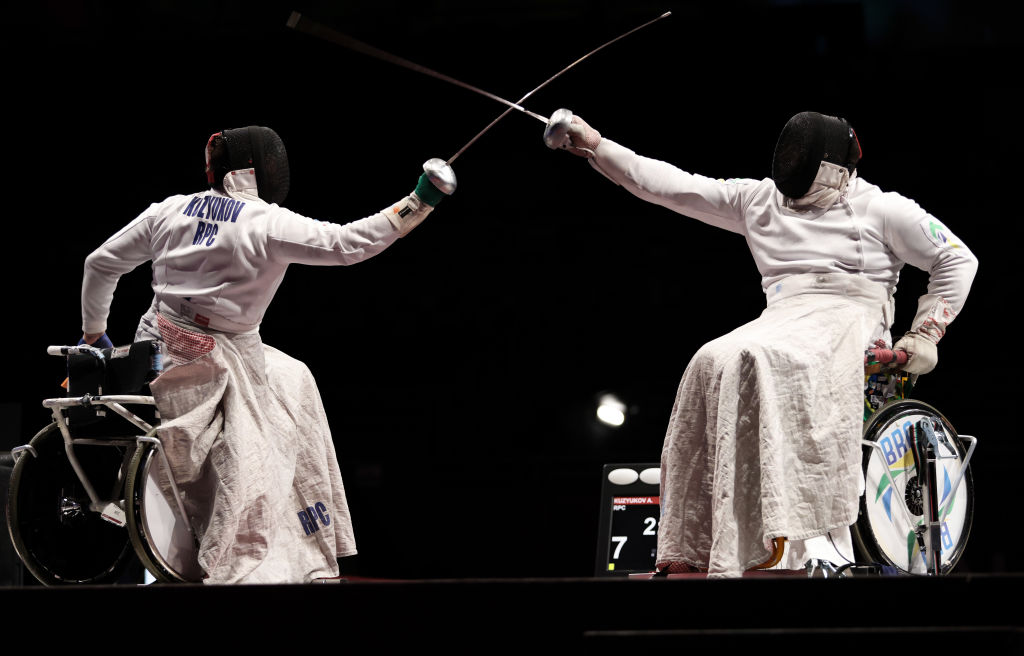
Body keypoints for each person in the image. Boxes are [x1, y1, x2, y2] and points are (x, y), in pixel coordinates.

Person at [545, 110, 977, 577]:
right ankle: (702, 546)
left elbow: (956, 258)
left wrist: (925, 332)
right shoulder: (760, 199)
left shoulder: (882, 208)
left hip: (849, 320)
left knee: (755, 357)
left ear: (835, 169)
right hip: (782, 319)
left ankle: (798, 541)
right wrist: (596, 145)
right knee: (710, 358)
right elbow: (669, 185)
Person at [80, 125, 454, 583]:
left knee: (295, 376)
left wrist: (94, 335)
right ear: (257, 169)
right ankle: (235, 556)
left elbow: (100, 263)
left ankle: (302, 538)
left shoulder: (170, 209)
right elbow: (348, 244)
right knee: (252, 446)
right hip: (204, 362)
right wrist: (420, 200)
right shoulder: (266, 223)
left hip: (157, 345)